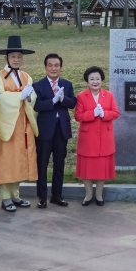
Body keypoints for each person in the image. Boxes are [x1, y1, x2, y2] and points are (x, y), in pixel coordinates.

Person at [0, 36, 39, 212]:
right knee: (5, 160)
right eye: (13, 56)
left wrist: (29, 96)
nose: (16, 59)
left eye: (19, 56)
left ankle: (15, 194)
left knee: (19, 159)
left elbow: (32, 98)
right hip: (5, 124)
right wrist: (19, 96)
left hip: (23, 124)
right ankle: (5, 197)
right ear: (6, 58)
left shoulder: (26, 76)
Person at [33, 54, 77, 208]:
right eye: (50, 65)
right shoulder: (37, 86)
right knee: (42, 164)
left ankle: (57, 196)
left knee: (59, 164)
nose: (53, 68)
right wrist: (52, 100)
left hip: (61, 130)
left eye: (56, 65)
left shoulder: (67, 84)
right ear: (45, 67)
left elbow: (73, 102)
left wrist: (63, 98)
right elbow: (36, 106)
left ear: (61, 67)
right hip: (45, 130)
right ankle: (42, 197)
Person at [74, 66, 120, 205]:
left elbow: (116, 113)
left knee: (102, 169)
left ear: (102, 80)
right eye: (92, 79)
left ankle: (99, 195)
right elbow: (78, 116)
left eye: (97, 79)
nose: (95, 81)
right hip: (88, 139)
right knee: (87, 169)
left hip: (105, 138)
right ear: (87, 81)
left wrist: (104, 114)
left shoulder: (109, 95)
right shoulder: (82, 96)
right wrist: (92, 114)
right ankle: (88, 195)